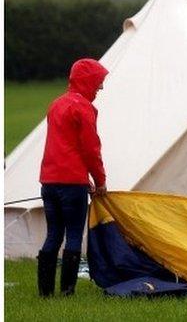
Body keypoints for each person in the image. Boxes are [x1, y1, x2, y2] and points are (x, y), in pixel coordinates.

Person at [37, 58, 109, 297]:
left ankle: (45, 293)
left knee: (53, 234)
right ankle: (67, 292)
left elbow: (61, 146)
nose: (100, 87)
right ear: (88, 81)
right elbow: (90, 149)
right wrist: (100, 182)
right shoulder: (84, 108)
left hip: (49, 181)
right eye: (98, 82)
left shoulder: (55, 105)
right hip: (72, 186)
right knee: (75, 235)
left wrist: (82, 178)